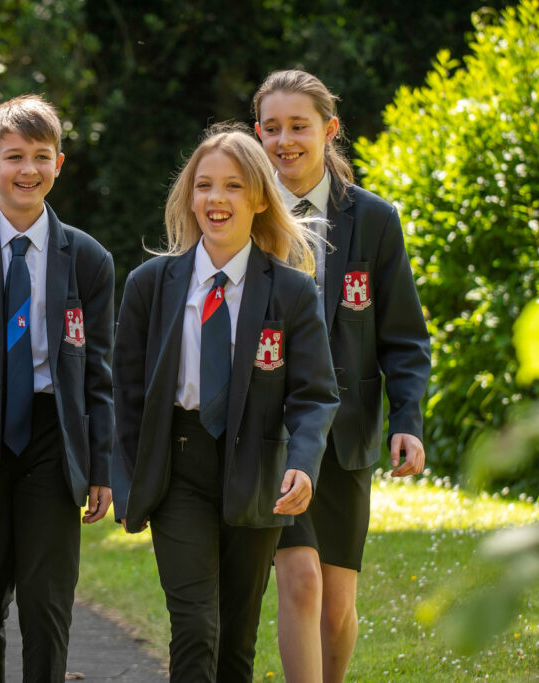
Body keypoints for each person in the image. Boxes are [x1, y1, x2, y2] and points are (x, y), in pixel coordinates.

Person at [111, 122, 340, 682]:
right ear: (190, 197)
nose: (217, 199)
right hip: (178, 470)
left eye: (234, 186)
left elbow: (314, 395)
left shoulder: (291, 292)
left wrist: (303, 465)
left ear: (260, 198)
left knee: (237, 640)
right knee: (195, 628)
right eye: (205, 185)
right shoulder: (150, 284)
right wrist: (122, 477)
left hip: (255, 474)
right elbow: (126, 394)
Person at [253, 69, 432, 683]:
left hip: (348, 431)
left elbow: (404, 337)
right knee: (299, 582)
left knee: (336, 608)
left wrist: (407, 421)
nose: (285, 141)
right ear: (257, 133)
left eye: (298, 126)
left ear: (328, 131)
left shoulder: (375, 220)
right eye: (272, 128)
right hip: (270, 430)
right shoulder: (242, 212)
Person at [0, 94, 115, 683]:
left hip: (52, 436)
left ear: (59, 164)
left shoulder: (87, 258)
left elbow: (100, 372)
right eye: (14, 156)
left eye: (41, 156)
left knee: (47, 602)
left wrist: (102, 464)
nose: (28, 170)